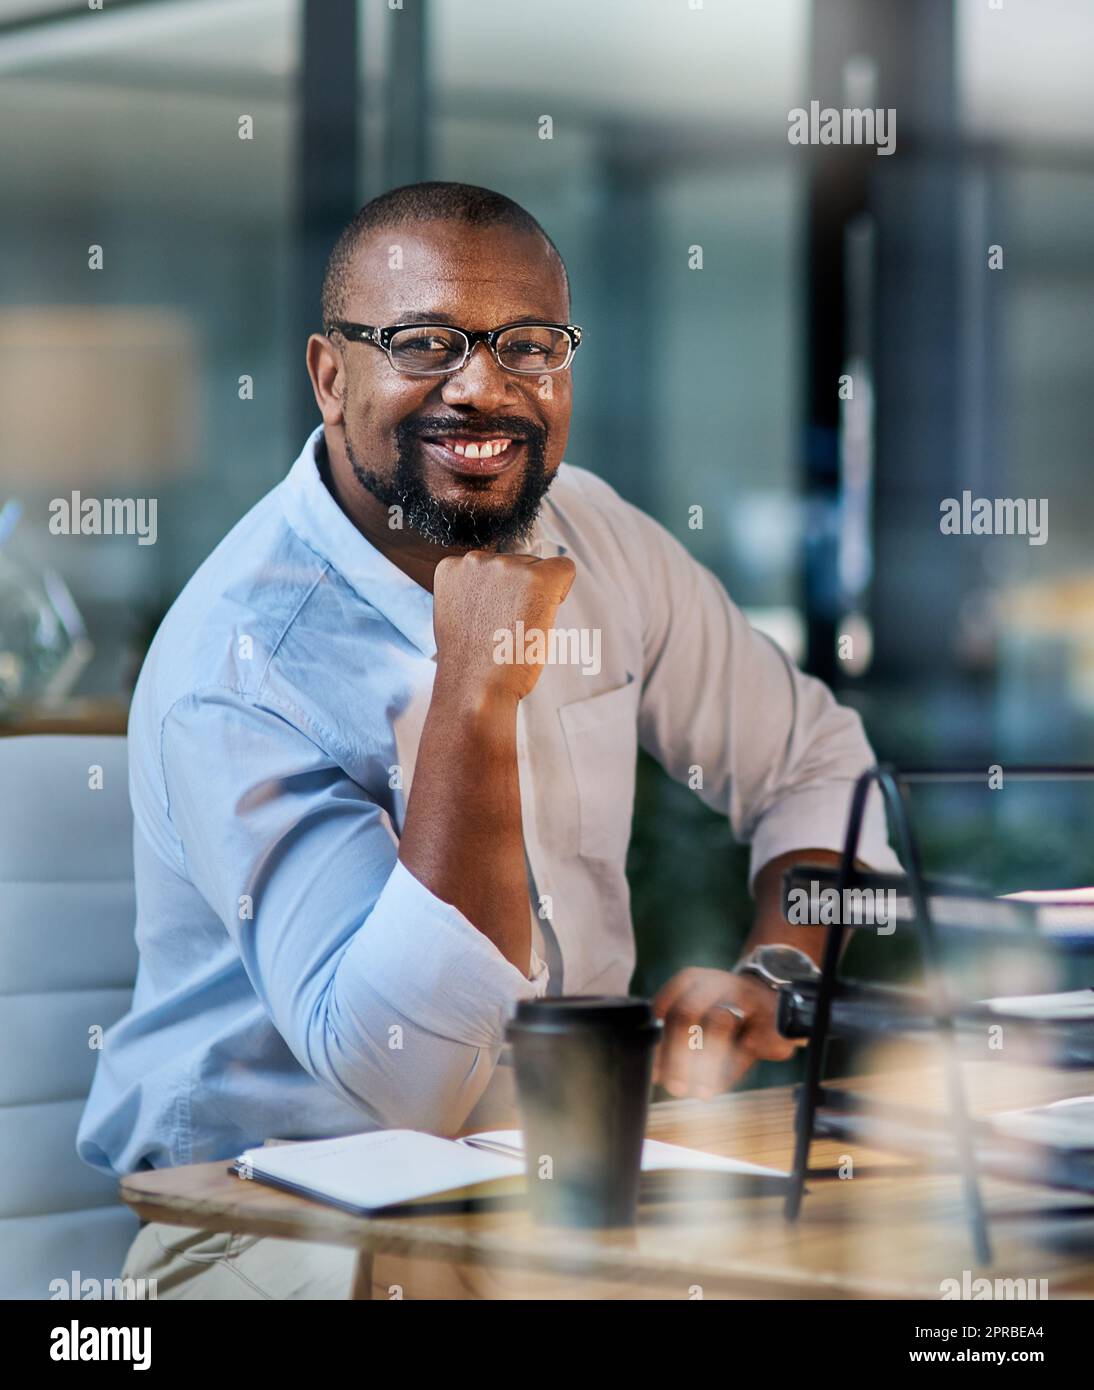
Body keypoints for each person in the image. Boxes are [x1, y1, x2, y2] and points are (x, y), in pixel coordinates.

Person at [77, 181, 899, 1298]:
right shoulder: (240, 656)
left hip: (560, 1192)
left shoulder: (599, 536)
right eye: (424, 343)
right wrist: (474, 688)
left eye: (528, 346)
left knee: (903, 1247)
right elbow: (409, 1076)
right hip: (263, 1218)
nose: (481, 387)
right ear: (329, 375)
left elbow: (815, 766)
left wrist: (777, 968)